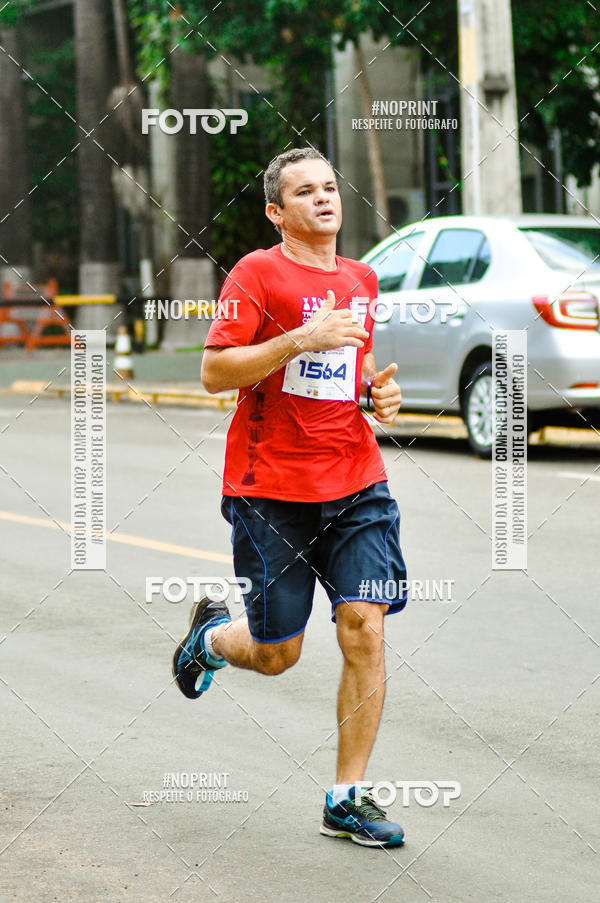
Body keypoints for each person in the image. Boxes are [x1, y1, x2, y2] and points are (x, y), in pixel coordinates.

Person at [173, 147, 408, 848]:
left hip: (356, 481)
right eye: (305, 192)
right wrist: (299, 337)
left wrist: (376, 394)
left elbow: (347, 374)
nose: (323, 199)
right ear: (278, 211)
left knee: (365, 626)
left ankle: (345, 797)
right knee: (279, 654)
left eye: (329, 187)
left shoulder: (361, 278)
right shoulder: (257, 274)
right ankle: (211, 639)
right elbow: (216, 371)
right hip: (269, 488)